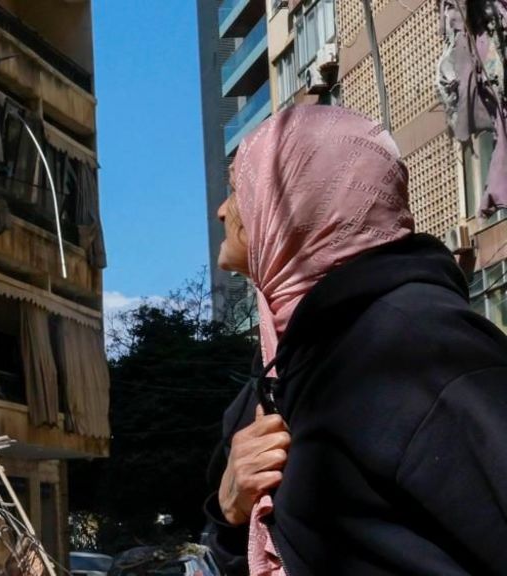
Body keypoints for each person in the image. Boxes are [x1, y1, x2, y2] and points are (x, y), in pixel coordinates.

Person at [201, 105, 507, 575]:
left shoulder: (418, 347)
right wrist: (231, 510)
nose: (222, 211)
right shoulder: (273, 379)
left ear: (296, 205)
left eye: (238, 189)